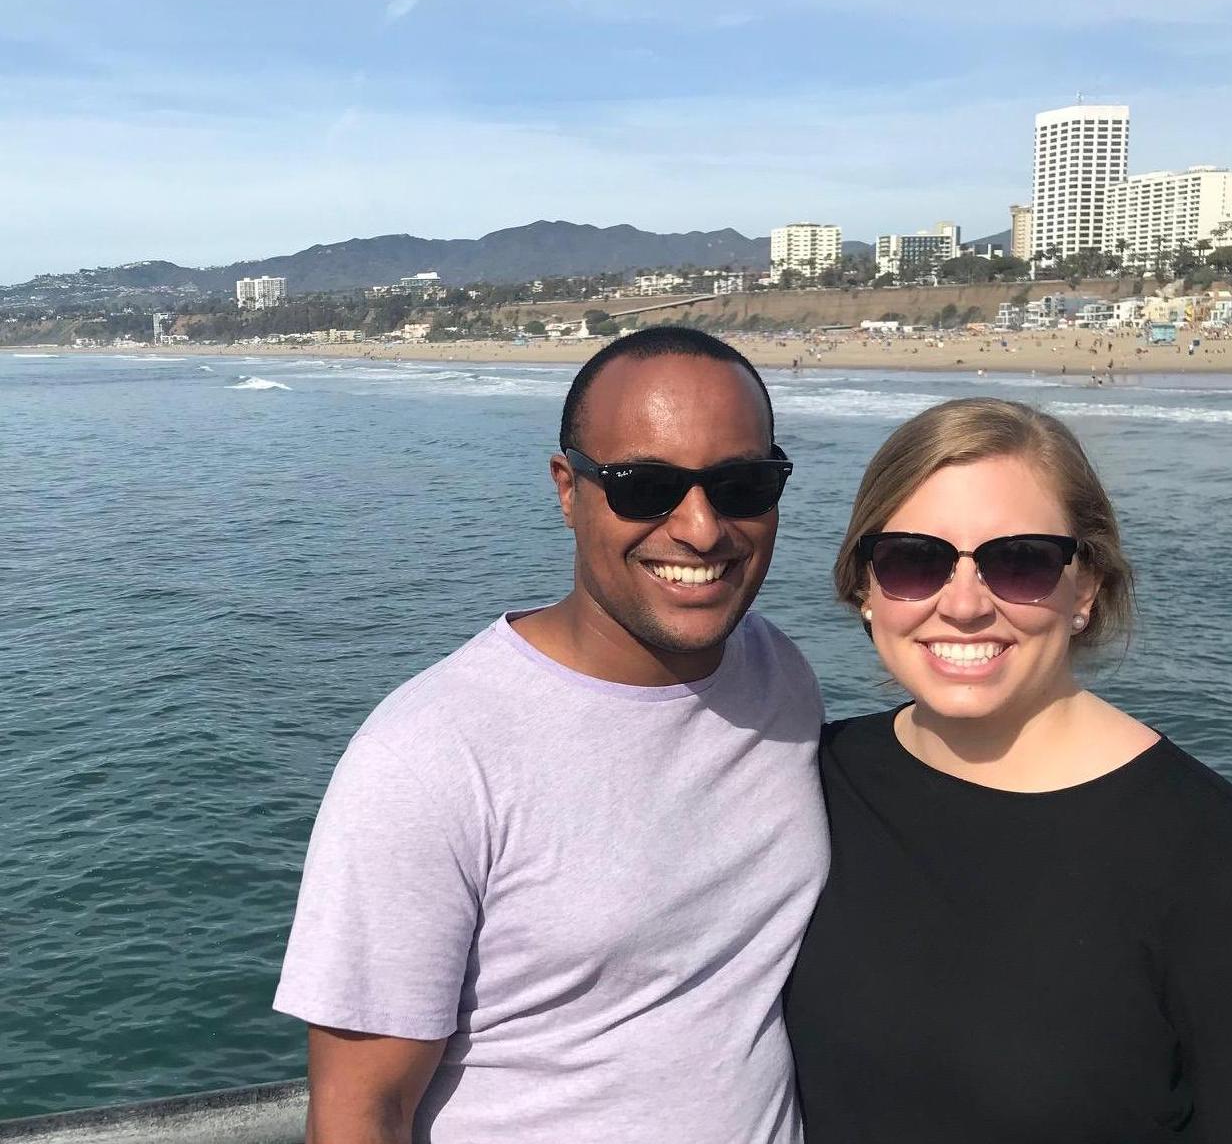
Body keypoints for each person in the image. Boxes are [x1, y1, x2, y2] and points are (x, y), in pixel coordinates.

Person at [274, 328, 829, 1143]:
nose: (702, 529)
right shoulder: (429, 753)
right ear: (567, 490)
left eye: (742, 483)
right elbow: (362, 1107)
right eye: (645, 487)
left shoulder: (779, 675)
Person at [786, 397, 1232, 1142]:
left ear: (1086, 587)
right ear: (865, 588)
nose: (965, 604)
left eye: (1021, 561)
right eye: (914, 560)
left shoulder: (1216, 857)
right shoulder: (808, 783)